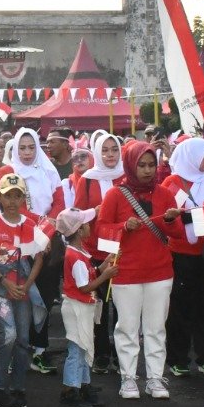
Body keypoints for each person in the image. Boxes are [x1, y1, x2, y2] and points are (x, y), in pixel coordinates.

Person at [99, 139, 185, 399]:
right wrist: (124, 227)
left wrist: (170, 220)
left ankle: (155, 378)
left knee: (156, 328)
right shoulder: (115, 195)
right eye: (142, 165)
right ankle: (128, 378)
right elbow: (101, 235)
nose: (148, 170)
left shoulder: (165, 194)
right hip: (126, 273)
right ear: (130, 165)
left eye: (151, 165)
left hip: (160, 272)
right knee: (127, 328)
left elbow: (177, 234)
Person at [0, 172, 48, 407]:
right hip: (0, 289)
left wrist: (27, 286)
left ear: (23, 199)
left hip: (23, 290)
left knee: (23, 340)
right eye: (7, 196)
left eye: (17, 196)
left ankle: (18, 387)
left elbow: (39, 258)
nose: (12, 201)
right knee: (8, 335)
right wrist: (4, 281)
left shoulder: (29, 225)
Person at [0, 128, 63, 372]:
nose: (27, 152)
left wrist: (48, 227)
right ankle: (14, 352)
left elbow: (59, 201)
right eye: (22, 147)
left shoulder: (48, 170)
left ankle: (39, 350)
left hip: (48, 240)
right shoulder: (8, 171)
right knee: (18, 296)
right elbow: (11, 206)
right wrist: (40, 224)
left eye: (31, 147)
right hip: (18, 240)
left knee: (44, 297)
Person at [161, 137, 204, 378]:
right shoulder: (172, 183)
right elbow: (168, 217)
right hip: (181, 254)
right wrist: (199, 215)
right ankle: (178, 359)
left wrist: (192, 215)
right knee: (180, 309)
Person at [74, 131, 124, 373]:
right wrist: (94, 211)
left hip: (123, 248)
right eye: (104, 150)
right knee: (99, 306)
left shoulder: (126, 176)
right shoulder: (87, 179)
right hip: (96, 249)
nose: (110, 155)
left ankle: (122, 354)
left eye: (114, 150)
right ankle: (102, 353)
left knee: (123, 306)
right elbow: (76, 215)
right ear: (96, 152)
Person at [57, 207, 116, 407]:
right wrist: (105, 276)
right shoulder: (76, 256)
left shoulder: (78, 252)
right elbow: (84, 287)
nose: (90, 225)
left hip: (80, 306)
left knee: (82, 347)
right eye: (86, 224)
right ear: (79, 230)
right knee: (77, 349)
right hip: (77, 306)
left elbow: (89, 275)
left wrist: (103, 265)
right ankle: (70, 390)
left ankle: (81, 385)